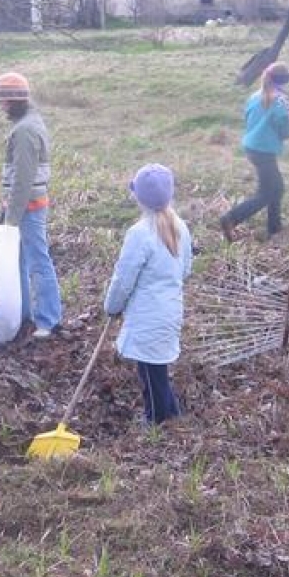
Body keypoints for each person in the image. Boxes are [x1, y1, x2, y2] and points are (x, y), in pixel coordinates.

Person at [103, 164, 193, 425]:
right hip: (171, 310)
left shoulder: (139, 234)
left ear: (137, 197)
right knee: (156, 370)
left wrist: (112, 306)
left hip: (147, 317)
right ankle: (173, 415)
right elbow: (185, 269)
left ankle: (156, 421)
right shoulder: (181, 227)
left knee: (151, 374)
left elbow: (123, 279)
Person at [0, 71, 62, 339]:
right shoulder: (29, 123)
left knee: (37, 261)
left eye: (3, 101)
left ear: (14, 100)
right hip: (26, 206)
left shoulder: (24, 131)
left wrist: (11, 218)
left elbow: (23, 178)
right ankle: (23, 315)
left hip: (28, 208)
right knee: (20, 262)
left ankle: (48, 320)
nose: (1, 106)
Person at [220, 61, 289, 242]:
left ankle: (274, 229)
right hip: (264, 151)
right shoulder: (280, 101)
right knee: (268, 192)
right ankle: (231, 218)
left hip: (252, 146)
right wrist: (288, 131)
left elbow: (247, 116)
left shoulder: (256, 95)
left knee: (275, 188)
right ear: (284, 80)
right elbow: (285, 126)